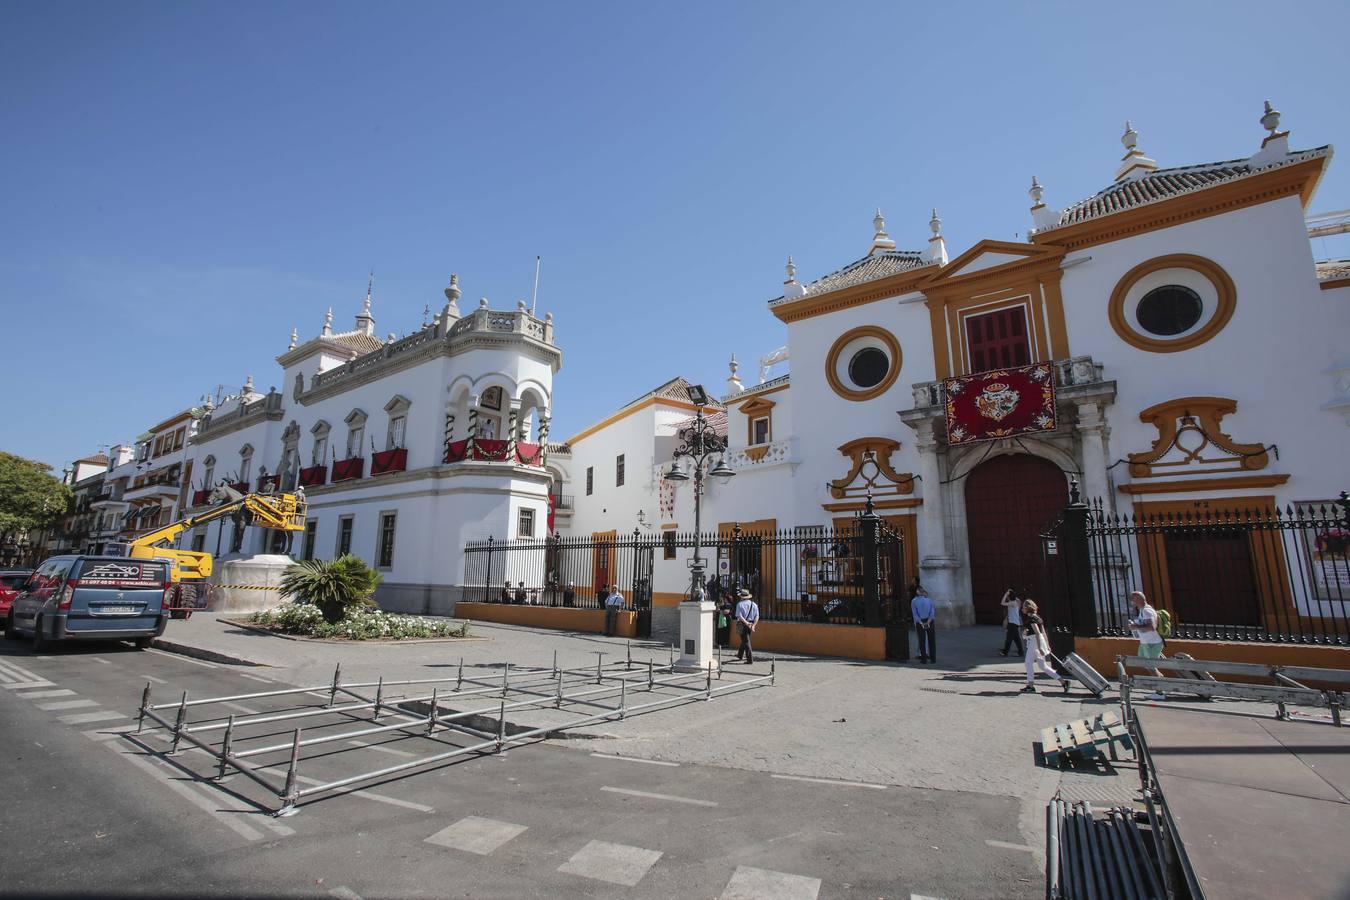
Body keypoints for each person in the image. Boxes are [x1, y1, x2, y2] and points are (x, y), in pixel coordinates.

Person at [1020, 600, 1068, 693]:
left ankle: (1031, 686)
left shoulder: (1031, 619)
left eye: (1023, 607)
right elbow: (1043, 632)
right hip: (1038, 642)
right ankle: (1063, 682)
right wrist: (1046, 645)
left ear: (1027, 608)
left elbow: (1037, 633)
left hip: (1034, 643)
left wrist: (1041, 647)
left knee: (1028, 663)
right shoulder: (1037, 617)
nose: (1022, 609)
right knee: (1043, 666)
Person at [1128, 591, 1166, 677]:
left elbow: (1152, 627)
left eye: (1132, 599)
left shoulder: (1146, 611)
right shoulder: (1142, 610)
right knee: (1146, 664)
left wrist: (1136, 627)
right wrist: (1136, 625)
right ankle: (1161, 680)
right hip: (1146, 643)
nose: (1131, 602)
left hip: (1152, 643)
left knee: (1150, 666)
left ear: (1138, 599)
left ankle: (1160, 686)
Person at [911, 585, 937, 664]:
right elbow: (932, 613)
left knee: (922, 640)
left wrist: (921, 622)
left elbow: (915, 614)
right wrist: (928, 621)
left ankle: (924, 659)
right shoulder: (929, 600)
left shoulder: (914, 601)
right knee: (931, 640)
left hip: (920, 621)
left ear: (917, 592)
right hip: (930, 621)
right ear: (923, 592)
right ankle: (933, 659)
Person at [734, 588, 759, 664]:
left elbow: (739, 616)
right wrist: (753, 625)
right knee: (745, 639)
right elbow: (757, 616)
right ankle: (740, 655)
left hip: (742, 624)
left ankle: (750, 659)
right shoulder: (754, 604)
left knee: (746, 641)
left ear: (741, 596)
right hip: (751, 624)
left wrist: (746, 623)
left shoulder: (739, 604)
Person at [999, 588, 1025, 657]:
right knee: (1017, 639)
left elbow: (1002, 603)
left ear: (1009, 597)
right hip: (1015, 623)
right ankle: (1021, 652)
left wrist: (1005, 594)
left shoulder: (1012, 603)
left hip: (1012, 623)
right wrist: (1011, 593)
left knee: (1009, 638)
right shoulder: (1017, 601)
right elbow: (1018, 599)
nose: (1007, 597)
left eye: (1008, 596)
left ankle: (1005, 652)